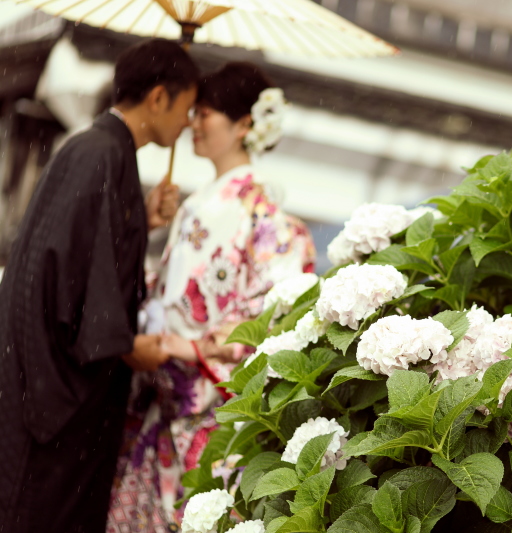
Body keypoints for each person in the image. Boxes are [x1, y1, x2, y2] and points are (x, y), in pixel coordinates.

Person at [106, 62, 316, 531]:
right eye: (194, 112)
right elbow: (168, 293)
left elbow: (276, 314)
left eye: (207, 114)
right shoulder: (199, 204)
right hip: (161, 393)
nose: (194, 123)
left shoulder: (269, 219)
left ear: (244, 124)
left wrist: (194, 347)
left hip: (207, 405)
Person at [0, 39, 199, 533]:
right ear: (158, 98)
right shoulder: (102, 155)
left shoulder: (98, 148)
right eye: (187, 107)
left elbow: (86, 250)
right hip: (54, 394)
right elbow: (72, 273)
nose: (189, 123)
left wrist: (142, 220)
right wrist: (128, 345)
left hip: (41, 381)